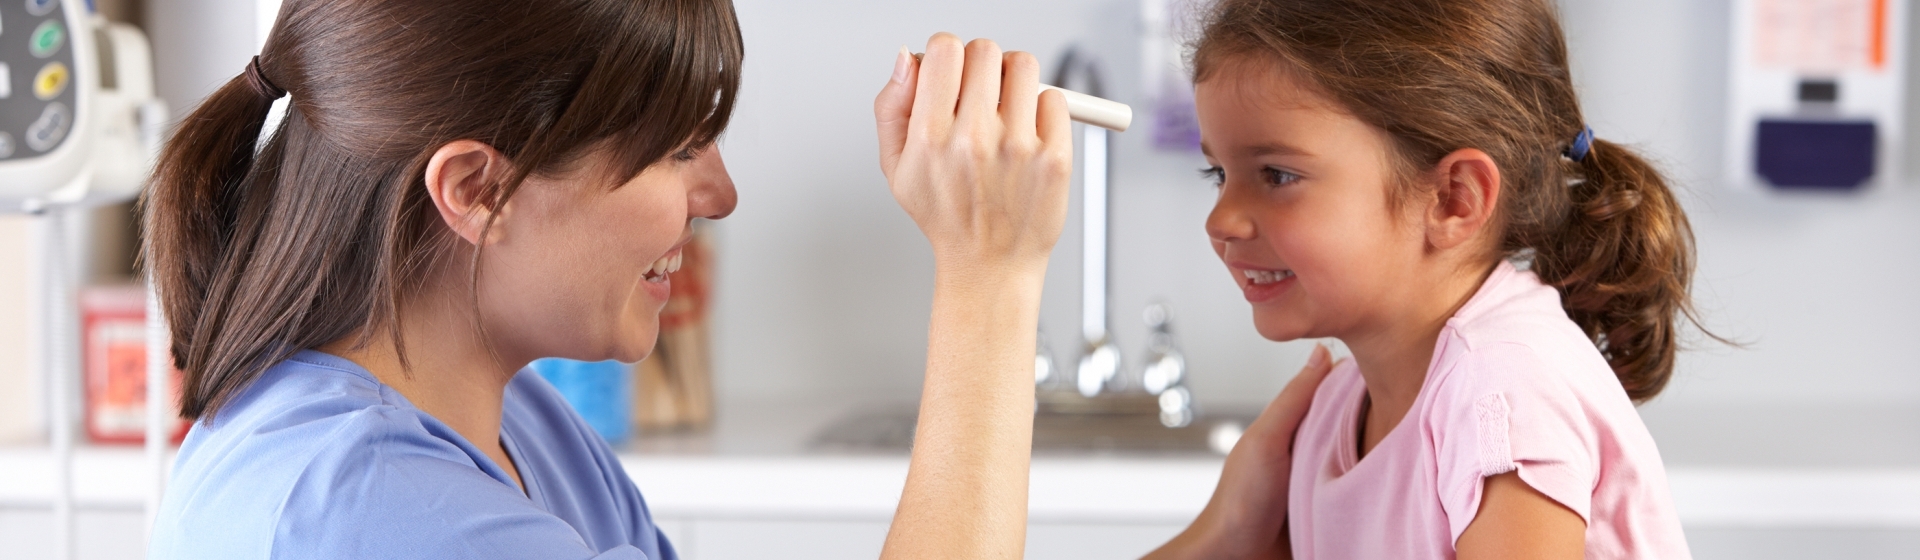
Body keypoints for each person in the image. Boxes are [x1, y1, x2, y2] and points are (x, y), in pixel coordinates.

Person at [143, 0, 1102, 557]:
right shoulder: (363, 508)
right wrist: (991, 276)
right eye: (680, 148)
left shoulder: (521, 427)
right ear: (479, 189)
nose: (720, 194)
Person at [1147, 0, 1706, 558]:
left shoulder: (1503, 390)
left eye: (1278, 174)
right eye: (1220, 173)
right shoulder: (1335, 413)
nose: (1220, 220)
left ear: (1453, 198)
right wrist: (1229, 530)